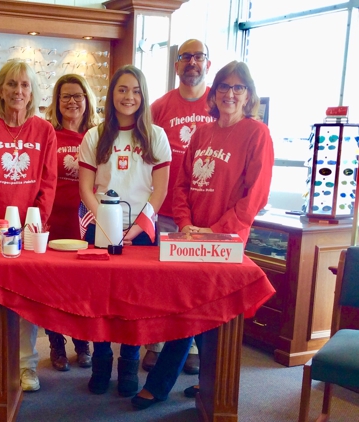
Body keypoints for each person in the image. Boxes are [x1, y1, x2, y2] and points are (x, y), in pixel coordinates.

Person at [132, 60, 274, 409]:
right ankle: (205, 385)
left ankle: (192, 386)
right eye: (224, 87)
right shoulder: (203, 132)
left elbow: (254, 197)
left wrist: (215, 231)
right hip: (192, 237)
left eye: (238, 88)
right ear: (215, 92)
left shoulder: (257, 134)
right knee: (190, 310)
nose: (230, 93)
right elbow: (181, 185)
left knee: (211, 314)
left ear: (248, 95)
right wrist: (185, 224)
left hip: (225, 243)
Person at [0, 60, 57, 392]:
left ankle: (27, 367)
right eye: (12, 84)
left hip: (28, 235)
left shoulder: (44, 131)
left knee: (26, 301)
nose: (18, 91)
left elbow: (48, 184)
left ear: (32, 92)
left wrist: (33, 224)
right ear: (1, 89)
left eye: (25, 85)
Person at [78, 64, 171, 397]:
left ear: (143, 95)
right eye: (122, 89)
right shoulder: (95, 136)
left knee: (136, 301)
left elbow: (159, 190)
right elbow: (86, 188)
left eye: (135, 90)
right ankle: (102, 360)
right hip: (102, 225)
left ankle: (129, 364)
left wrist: (135, 228)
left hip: (141, 229)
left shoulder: (156, 136)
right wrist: (104, 222)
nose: (128, 96)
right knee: (100, 298)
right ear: (111, 94)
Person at [142, 38, 214, 375]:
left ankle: (195, 345)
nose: (192, 63)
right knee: (164, 283)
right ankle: (155, 343)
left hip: (206, 214)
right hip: (167, 211)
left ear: (207, 64)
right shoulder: (160, 106)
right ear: (176, 66)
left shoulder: (218, 103)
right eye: (185, 57)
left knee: (199, 284)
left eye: (198, 57)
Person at [44, 74, 100, 372]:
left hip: (86, 224)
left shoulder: (97, 136)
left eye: (78, 95)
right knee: (54, 289)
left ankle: (83, 342)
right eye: (65, 96)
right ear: (57, 101)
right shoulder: (47, 134)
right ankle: (56, 343)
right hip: (54, 223)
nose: (72, 102)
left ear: (87, 99)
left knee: (82, 289)